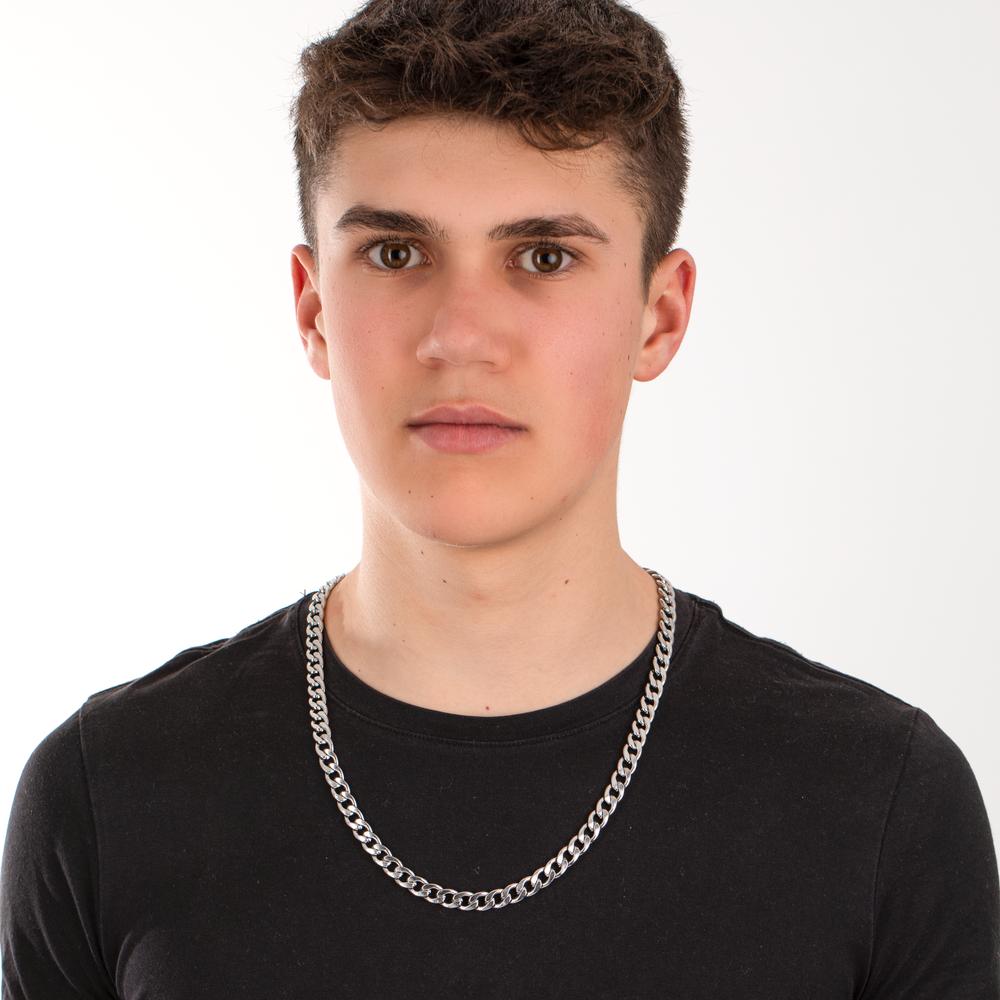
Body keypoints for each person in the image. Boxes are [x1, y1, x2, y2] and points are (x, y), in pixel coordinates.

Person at [2, 0, 998, 995]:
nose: (460, 337)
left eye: (543, 257)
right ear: (312, 309)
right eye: (396, 253)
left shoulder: (881, 804)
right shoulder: (108, 793)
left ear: (658, 316)